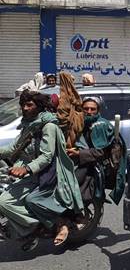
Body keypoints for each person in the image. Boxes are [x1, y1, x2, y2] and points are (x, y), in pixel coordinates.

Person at [0, 90, 83, 250]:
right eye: (23, 105)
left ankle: (36, 226)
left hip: (45, 173)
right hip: (29, 171)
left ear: (39, 106)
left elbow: (46, 156)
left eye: (29, 105)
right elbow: (14, 147)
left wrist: (26, 169)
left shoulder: (49, 126)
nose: (24, 108)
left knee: (4, 201)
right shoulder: (29, 124)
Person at [66, 96, 127, 225]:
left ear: (98, 111)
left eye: (92, 109)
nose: (89, 111)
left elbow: (100, 152)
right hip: (85, 160)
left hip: (97, 165)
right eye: (86, 108)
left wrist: (79, 153)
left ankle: (78, 214)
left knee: (73, 184)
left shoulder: (100, 126)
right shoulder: (83, 123)